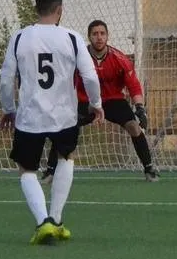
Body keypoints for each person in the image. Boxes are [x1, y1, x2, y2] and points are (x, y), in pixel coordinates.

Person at [0, 0, 103, 244]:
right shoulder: (71, 37)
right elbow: (90, 76)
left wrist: (9, 110)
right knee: (66, 158)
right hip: (64, 115)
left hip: (30, 116)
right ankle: (56, 220)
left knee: (26, 169)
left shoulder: (20, 37)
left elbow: (5, 80)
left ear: (36, 8)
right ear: (60, 9)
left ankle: (42, 221)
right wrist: (96, 103)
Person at [41, 19, 158, 183]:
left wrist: (140, 108)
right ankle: (50, 172)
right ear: (89, 37)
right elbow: (65, 82)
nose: (99, 37)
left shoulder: (120, 58)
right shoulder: (77, 58)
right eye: (95, 34)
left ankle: (149, 169)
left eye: (102, 33)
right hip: (86, 102)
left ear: (107, 36)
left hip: (113, 101)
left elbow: (134, 86)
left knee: (134, 126)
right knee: (65, 128)